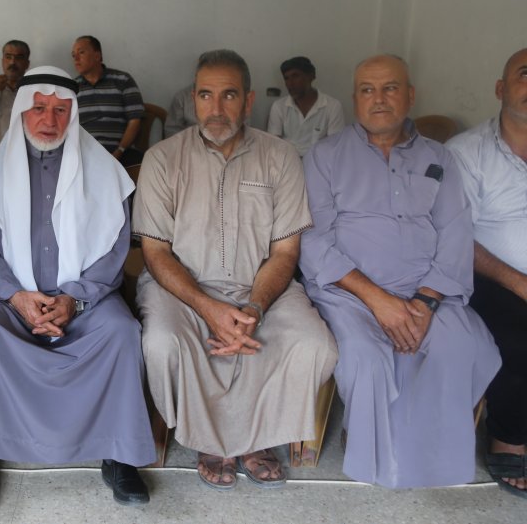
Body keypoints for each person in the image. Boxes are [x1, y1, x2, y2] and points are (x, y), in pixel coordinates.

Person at [0, 66, 155, 512]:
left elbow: (114, 250)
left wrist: (74, 298)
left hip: (85, 299)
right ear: (22, 111)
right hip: (10, 300)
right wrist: (16, 296)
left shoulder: (105, 172)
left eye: (61, 110)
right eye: (39, 108)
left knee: (121, 332)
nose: (49, 120)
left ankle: (119, 454)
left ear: (73, 114)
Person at [133, 49, 337, 490]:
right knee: (165, 343)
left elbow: (285, 252)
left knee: (314, 344)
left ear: (248, 101)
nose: (216, 108)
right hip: (181, 288)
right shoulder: (162, 158)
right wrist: (208, 308)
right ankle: (212, 441)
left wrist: (255, 309)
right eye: (205, 95)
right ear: (193, 99)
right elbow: (156, 252)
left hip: (261, 287)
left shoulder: (281, 156)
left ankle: (254, 439)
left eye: (229, 95)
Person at [300, 54, 502, 488]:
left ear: (410, 95)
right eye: (367, 90)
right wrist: (379, 301)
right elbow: (313, 239)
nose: (379, 99)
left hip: (427, 290)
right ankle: (374, 453)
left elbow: (455, 232)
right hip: (348, 292)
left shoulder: (439, 158)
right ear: (354, 99)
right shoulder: (325, 155)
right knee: (366, 355)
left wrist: (426, 302)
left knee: (463, 346)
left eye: (390, 88)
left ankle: (428, 452)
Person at [446, 47, 527, 499]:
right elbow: (457, 237)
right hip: (489, 277)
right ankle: (509, 437)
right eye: (525, 74)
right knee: (516, 339)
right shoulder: (466, 153)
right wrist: (519, 283)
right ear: (501, 88)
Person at [72, 36, 145, 166]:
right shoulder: (72, 88)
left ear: (97, 55)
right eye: (73, 55)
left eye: (81, 52)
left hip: (121, 153)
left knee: (144, 162)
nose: (76, 59)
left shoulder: (123, 80)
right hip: (85, 156)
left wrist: (119, 151)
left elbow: (135, 121)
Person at [267, 56, 344, 157]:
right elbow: (273, 145)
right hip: (287, 162)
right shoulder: (279, 107)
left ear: (311, 76)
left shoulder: (332, 106)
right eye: (286, 78)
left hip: (319, 162)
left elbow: (335, 146)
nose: (290, 83)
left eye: (295, 76)